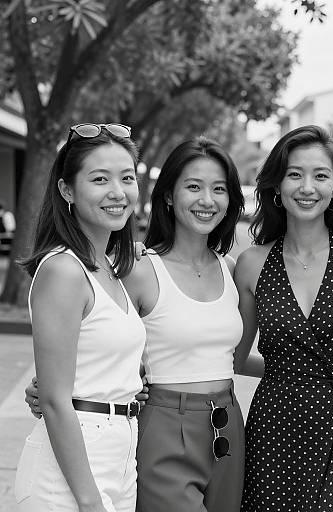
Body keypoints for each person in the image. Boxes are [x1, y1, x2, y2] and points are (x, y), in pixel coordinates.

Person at [25, 136, 246, 512]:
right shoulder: (129, 268)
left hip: (219, 425)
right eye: (193, 186)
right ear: (168, 195)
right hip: (152, 425)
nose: (207, 199)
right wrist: (46, 389)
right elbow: (68, 354)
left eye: (126, 178)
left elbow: (113, 340)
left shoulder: (115, 267)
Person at [234, 125, 333, 511]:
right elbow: (233, 357)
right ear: (277, 186)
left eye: (320, 175)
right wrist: (288, 372)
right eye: (295, 174)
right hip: (273, 425)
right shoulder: (252, 262)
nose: (307, 187)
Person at [15, 123, 146, 512]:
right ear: (67, 190)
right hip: (71, 466)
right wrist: (89, 501)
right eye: (100, 179)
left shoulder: (110, 268)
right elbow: (55, 400)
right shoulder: (63, 270)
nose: (117, 192)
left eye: (126, 178)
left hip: (121, 453)